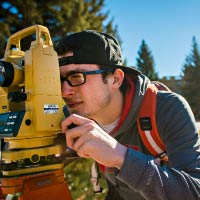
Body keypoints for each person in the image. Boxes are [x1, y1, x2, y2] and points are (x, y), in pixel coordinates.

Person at [55, 30, 200, 200]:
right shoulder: (69, 118)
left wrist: (120, 156)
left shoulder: (167, 109)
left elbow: (194, 193)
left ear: (115, 79)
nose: (65, 92)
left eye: (77, 76)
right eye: (59, 80)